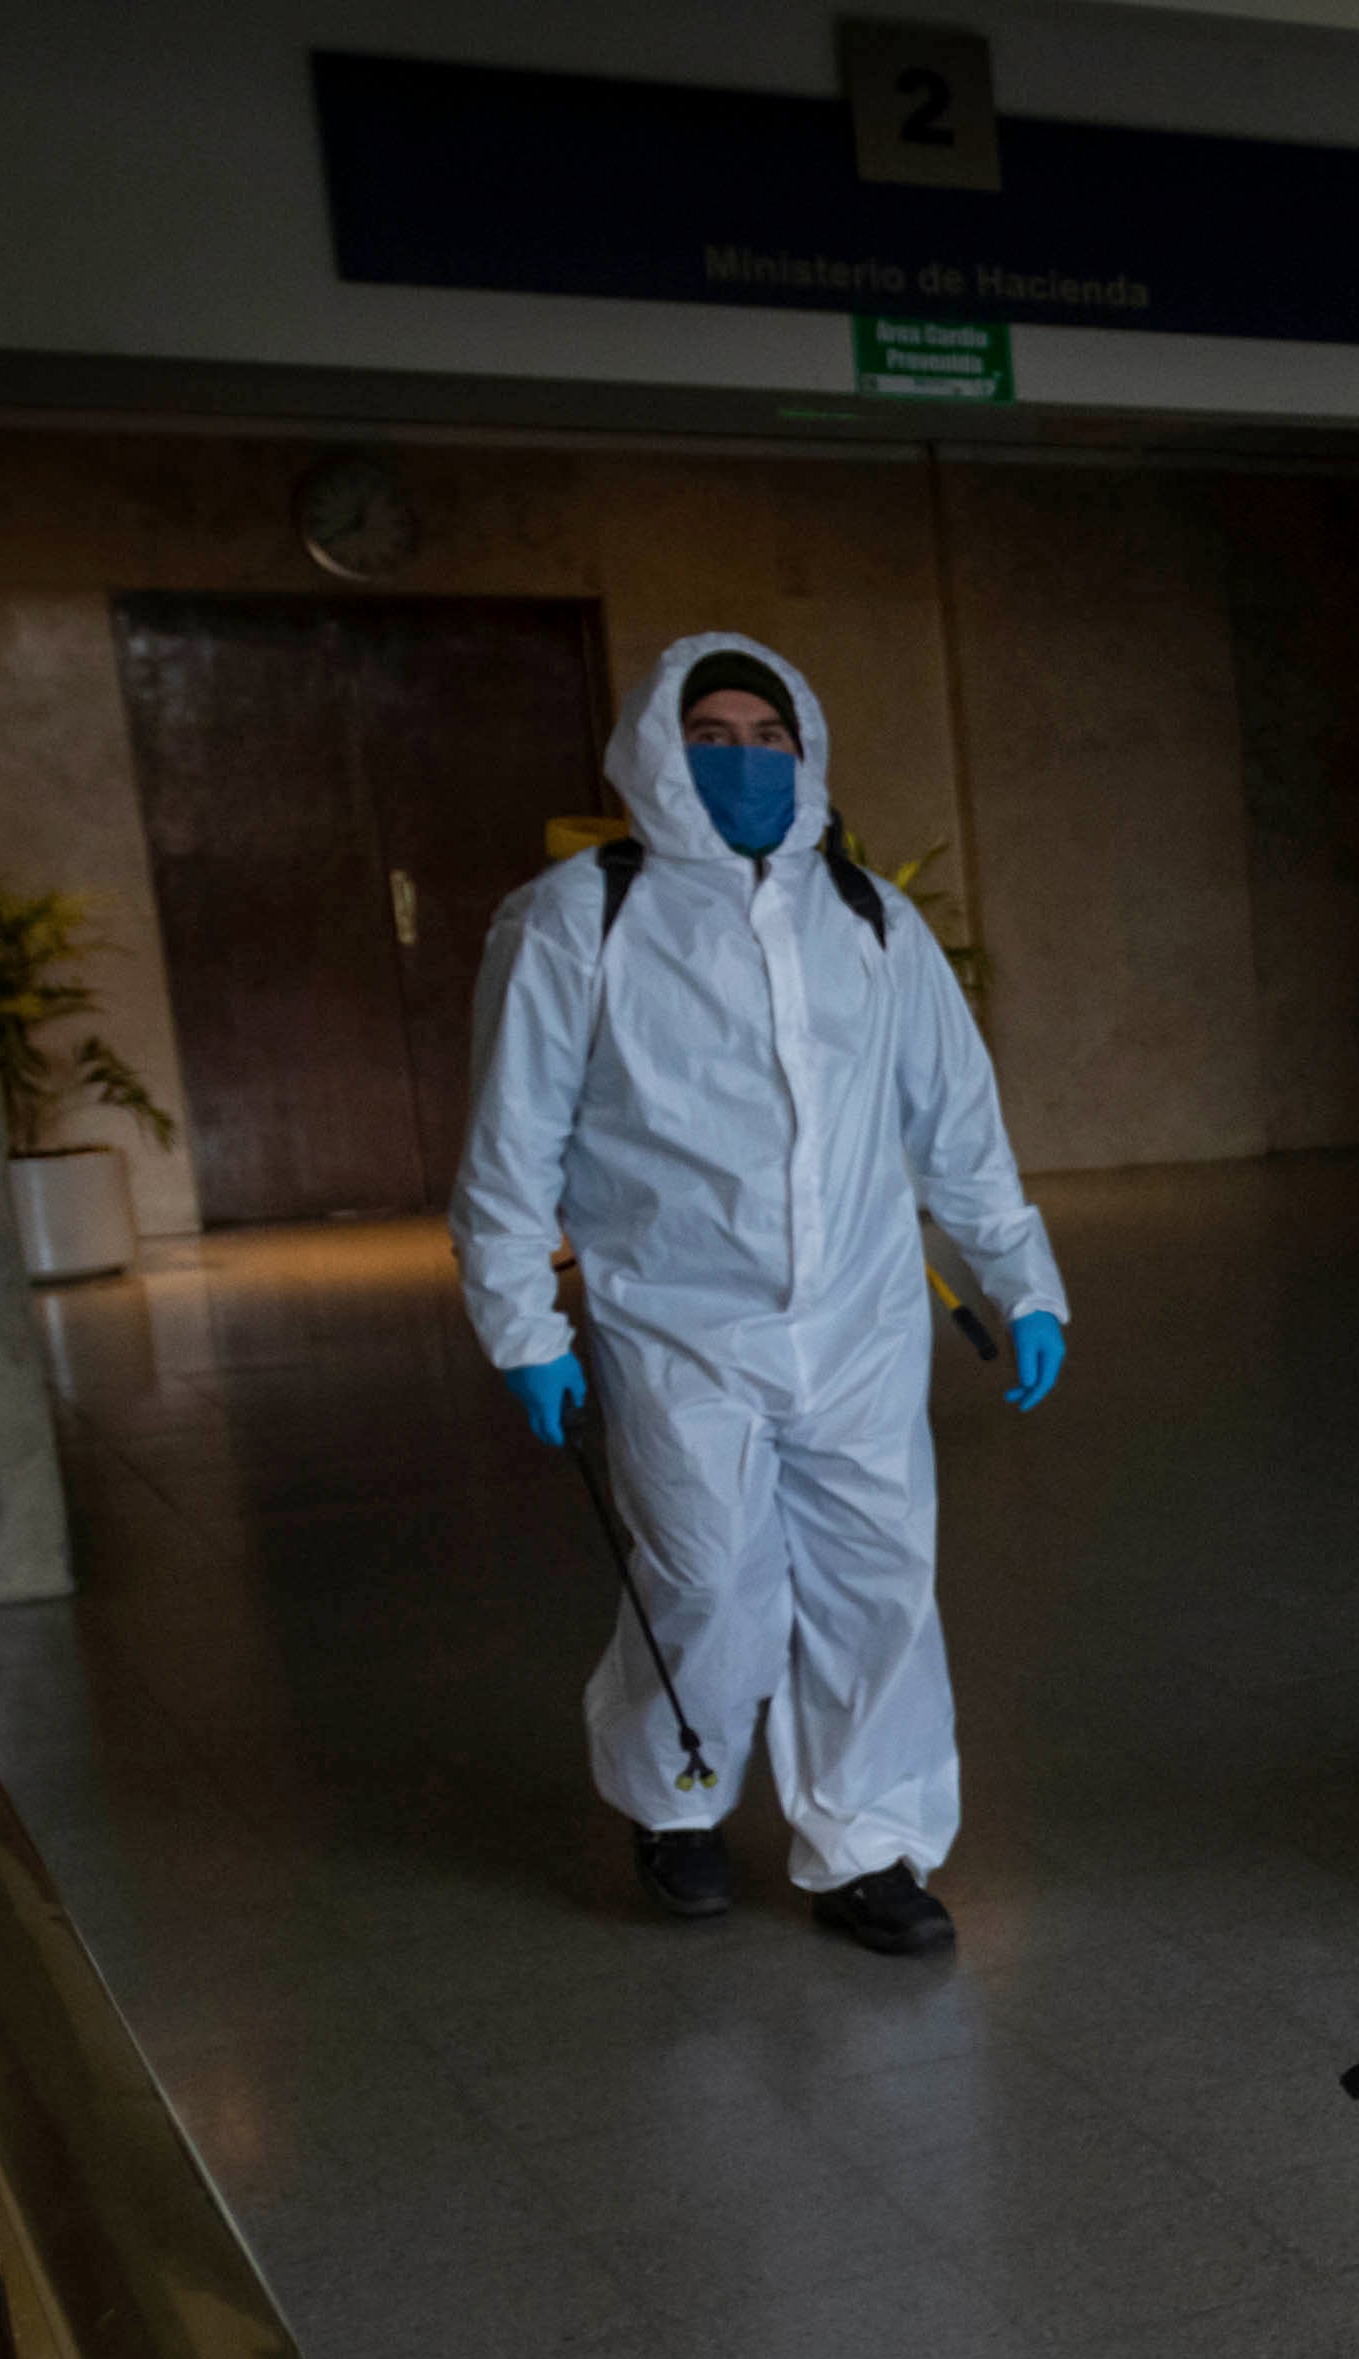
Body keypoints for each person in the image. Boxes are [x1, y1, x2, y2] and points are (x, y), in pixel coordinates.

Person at [452, 634, 1068, 1956]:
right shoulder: (578, 917)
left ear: (810, 752)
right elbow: (511, 1145)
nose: (744, 756)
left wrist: (1024, 1281)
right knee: (710, 1579)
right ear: (656, 749)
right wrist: (521, 1324)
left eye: (769, 734)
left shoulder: (870, 922)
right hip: (676, 1326)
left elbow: (956, 1127)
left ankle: (870, 1844)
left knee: (878, 1578)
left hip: (858, 1319)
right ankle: (674, 1797)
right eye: (713, 731)